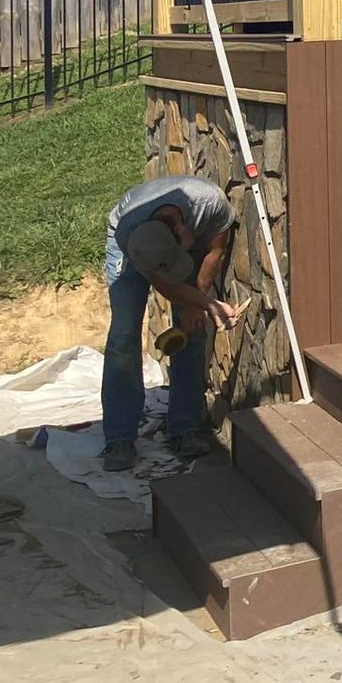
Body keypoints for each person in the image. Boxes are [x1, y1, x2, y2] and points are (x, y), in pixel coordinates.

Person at [101, 175, 244, 472]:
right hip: (130, 245)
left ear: (182, 230)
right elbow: (166, 285)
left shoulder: (210, 205)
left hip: (188, 234)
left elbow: (215, 251)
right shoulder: (131, 238)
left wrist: (198, 302)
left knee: (192, 332)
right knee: (123, 335)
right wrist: (202, 304)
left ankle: (184, 428)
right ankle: (119, 438)